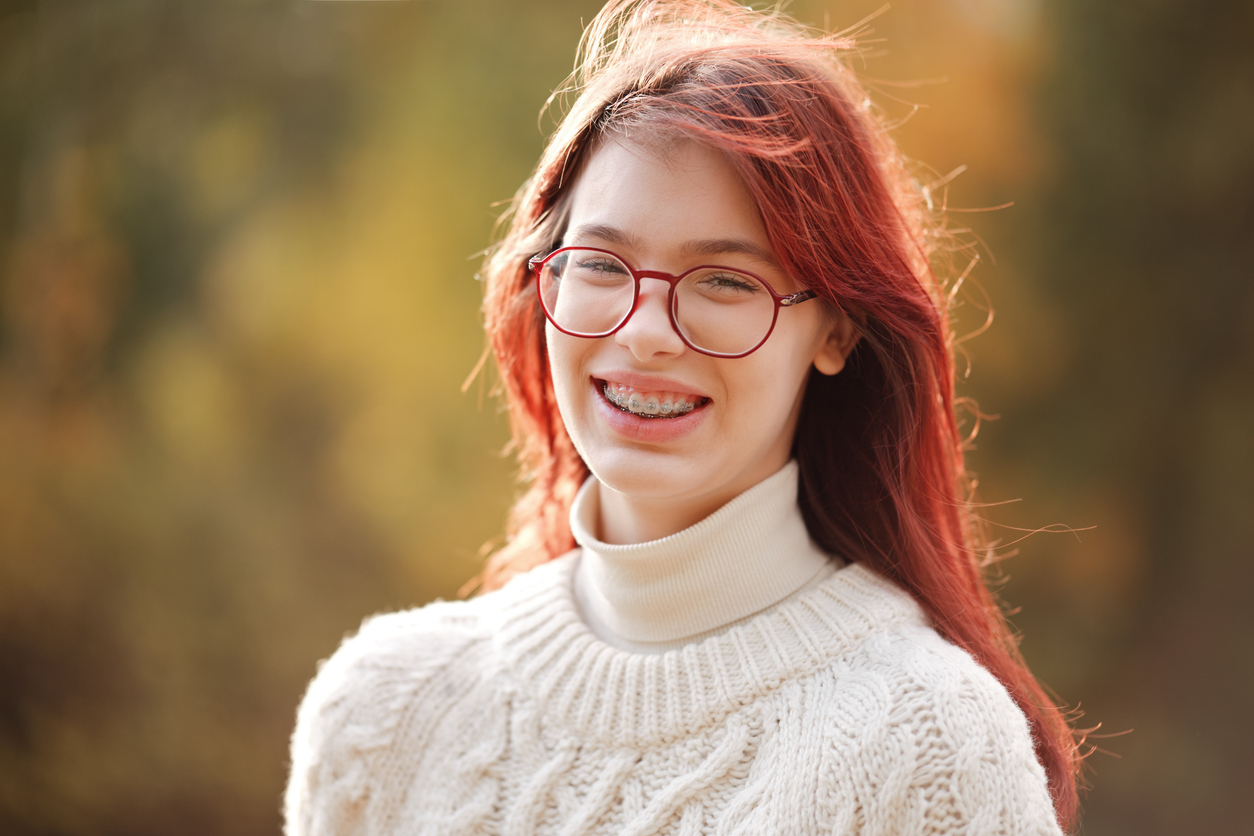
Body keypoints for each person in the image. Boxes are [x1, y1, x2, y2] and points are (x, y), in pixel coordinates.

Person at [283, 1, 1081, 833]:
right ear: (542, 281)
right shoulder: (383, 714)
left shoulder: (931, 746)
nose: (645, 334)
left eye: (725, 281)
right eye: (600, 264)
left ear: (837, 328)